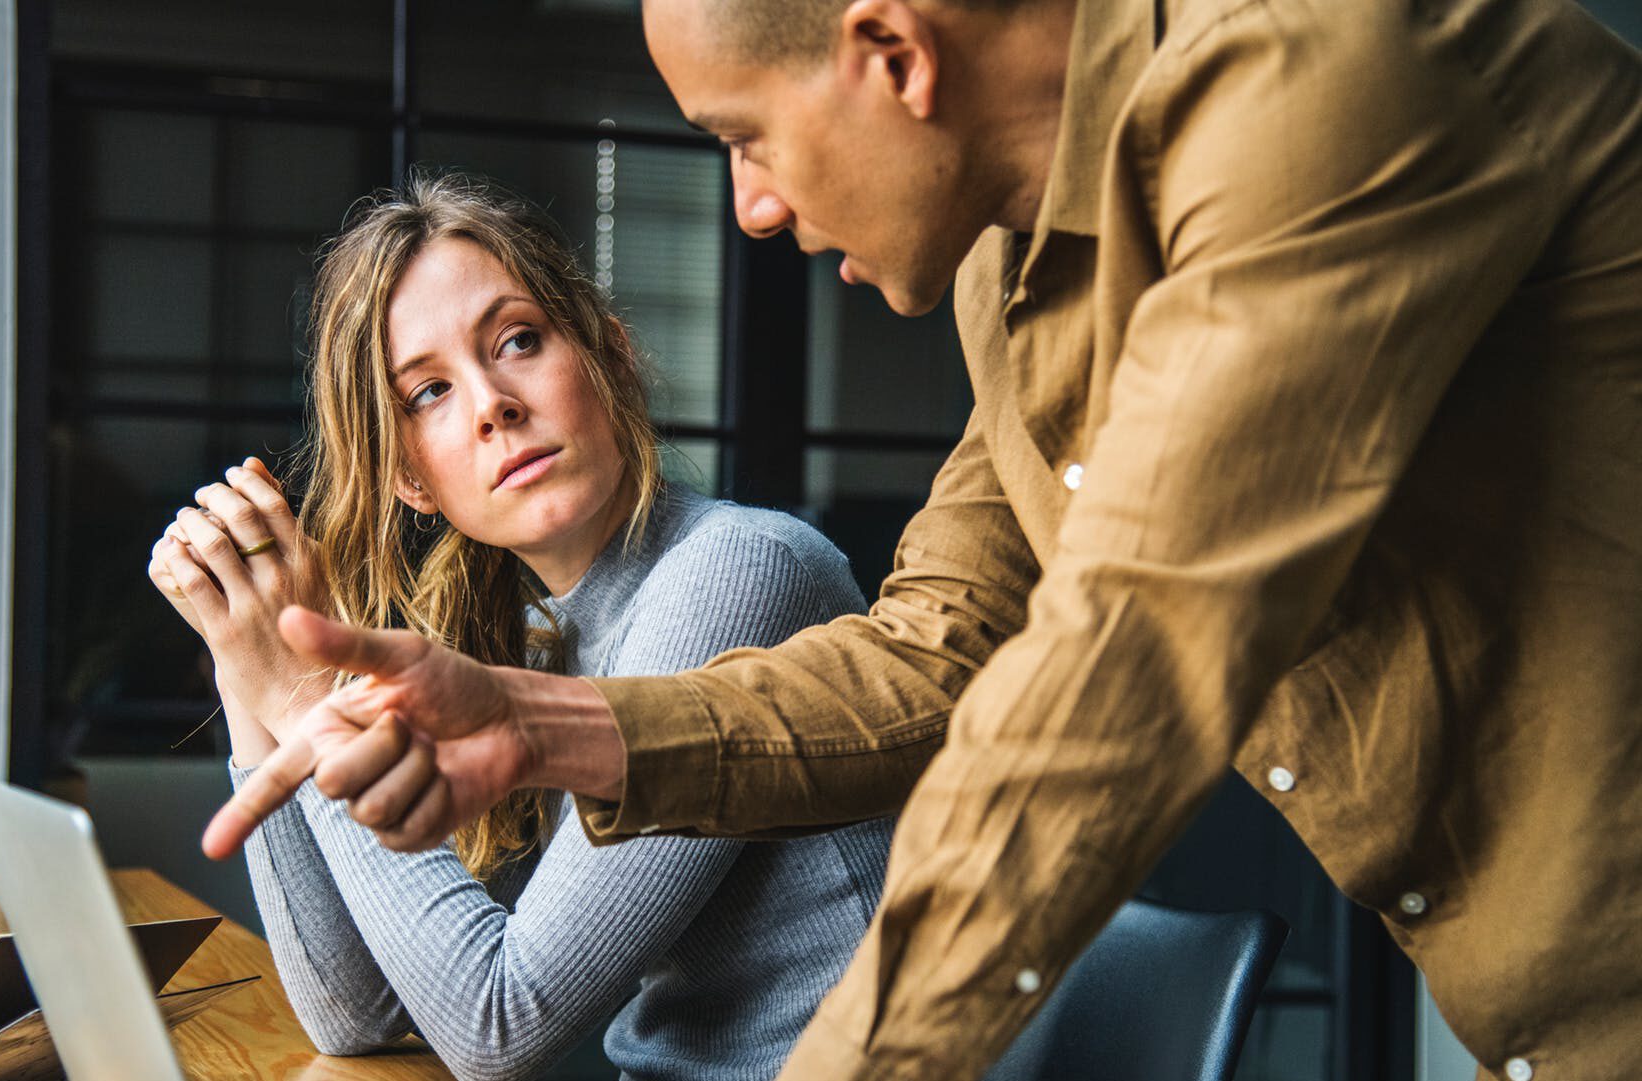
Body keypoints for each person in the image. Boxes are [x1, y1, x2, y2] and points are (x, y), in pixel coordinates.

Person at [209, 1, 1642, 1078]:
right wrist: (538, 719)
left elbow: (1120, 676)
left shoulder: (1313, 92)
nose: (753, 206)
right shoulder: (1015, 282)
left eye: (746, 138)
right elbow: (934, 651)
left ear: (891, 51)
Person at [153, 172, 896, 1081]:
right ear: (411, 481)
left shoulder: (741, 570)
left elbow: (498, 1030)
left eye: (518, 341)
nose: (490, 404)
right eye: (427, 392)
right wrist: (246, 661)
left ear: (612, 356)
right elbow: (356, 1010)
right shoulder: (527, 631)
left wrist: (304, 695)